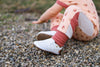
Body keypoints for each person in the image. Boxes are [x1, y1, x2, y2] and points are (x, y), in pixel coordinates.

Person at [32, 0, 99, 54]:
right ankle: (56, 32)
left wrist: (41, 20)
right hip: (77, 30)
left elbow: (52, 11)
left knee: (72, 9)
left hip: (89, 31)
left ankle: (56, 43)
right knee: (57, 14)